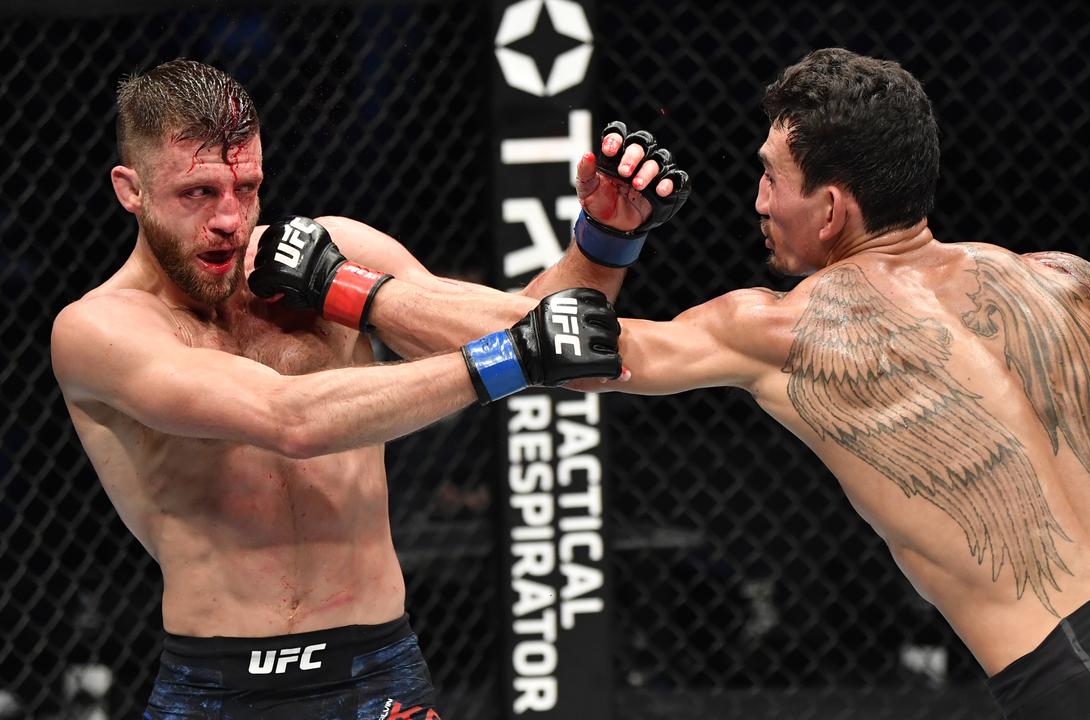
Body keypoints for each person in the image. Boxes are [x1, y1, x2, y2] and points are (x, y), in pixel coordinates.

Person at [590, 48, 1090, 718]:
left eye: (770, 177)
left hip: (1084, 689)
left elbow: (577, 352)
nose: (759, 200)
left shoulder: (782, 329)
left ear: (830, 210)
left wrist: (604, 244)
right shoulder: (1049, 281)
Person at [49, 59, 686, 718]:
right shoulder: (98, 330)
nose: (230, 219)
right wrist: (510, 354)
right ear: (131, 189)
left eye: (247, 186)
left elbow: (546, 335)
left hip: (377, 675)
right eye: (198, 193)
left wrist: (603, 241)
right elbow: (289, 419)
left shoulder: (332, 249)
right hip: (215, 688)